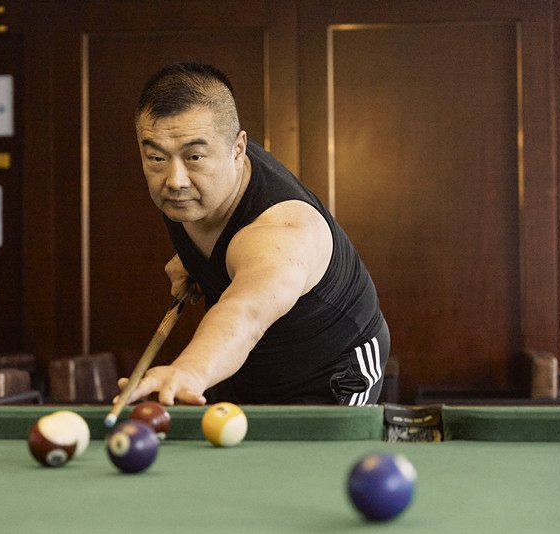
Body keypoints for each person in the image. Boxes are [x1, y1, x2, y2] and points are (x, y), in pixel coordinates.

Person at [117, 62, 389, 407]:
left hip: (331, 373)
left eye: (194, 156)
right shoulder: (195, 185)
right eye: (156, 157)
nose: (175, 180)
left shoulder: (281, 233)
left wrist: (189, 371)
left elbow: (246, 313)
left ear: (238, 149)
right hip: (250, 368)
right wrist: (196, 261)